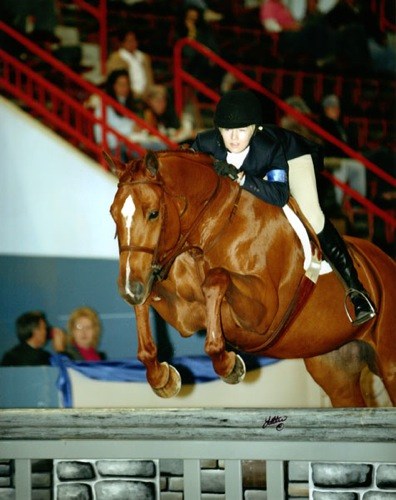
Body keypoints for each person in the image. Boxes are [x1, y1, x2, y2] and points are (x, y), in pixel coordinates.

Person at [191, 89, 376, 326]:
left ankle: (356, 290)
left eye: (241, 130)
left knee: (312, 214)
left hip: (291, 157)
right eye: (227, 131)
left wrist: (242, 179)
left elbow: (279, 195)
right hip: (254, 167)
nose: (234, 138)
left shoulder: (270, 147)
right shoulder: (204, 144)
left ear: (255, 129)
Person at [87, 69, 165, 160]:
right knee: (157, 152)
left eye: (127, 84)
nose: (125, 87)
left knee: (163, 146)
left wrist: (138, 128)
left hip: (134, 141)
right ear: (113, 86)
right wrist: (129, 130)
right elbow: (100, 138)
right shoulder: (103, 106)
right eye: (121, 84)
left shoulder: (129, 103)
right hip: (117, 148)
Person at [319, 94, 367, 208]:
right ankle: (336, 202)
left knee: (359, 167)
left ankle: (357, 201)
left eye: (337, 107)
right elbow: (331, 146)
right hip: (331, 157)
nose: (336, 110)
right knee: (341, 167)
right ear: (326, 109)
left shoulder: (340, 125)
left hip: (343, 157)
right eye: (333, 107)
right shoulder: (323, 124)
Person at [259, 0, 334, 68]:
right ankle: (323, 55)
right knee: (314, 26)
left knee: (317, 25)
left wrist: (296, 26)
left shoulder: (281, 6)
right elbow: (270, 26)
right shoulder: (268, 5)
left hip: (294, 32)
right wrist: (290, 27)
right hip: (284, 37)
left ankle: (323, 55)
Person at [106, 29, 158, 101]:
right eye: (129, 41)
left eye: (134, 40)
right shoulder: (115, 58)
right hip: (127, 96)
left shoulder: (144, 57)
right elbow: (115, 82)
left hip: (146, 95)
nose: (132, 43)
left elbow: (150, 79)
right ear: (122, 43)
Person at [1, 311, 66, 366]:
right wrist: (60, 350)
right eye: (44, 328)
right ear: (35, 331)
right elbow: (64, 375)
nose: (46, 332)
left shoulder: (9, 356)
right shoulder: (42, 357)